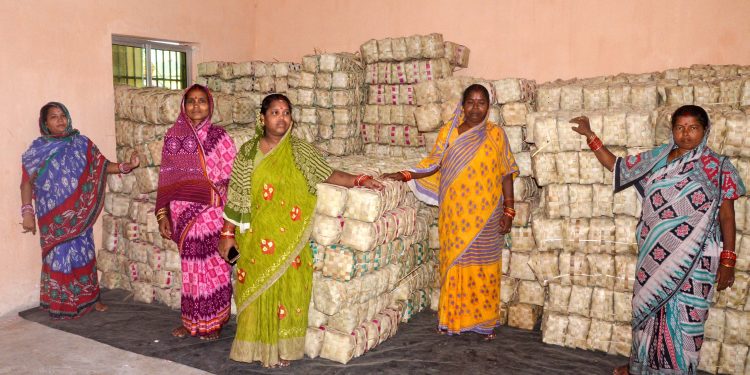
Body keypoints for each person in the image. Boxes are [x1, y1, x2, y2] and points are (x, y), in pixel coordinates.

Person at [569, 105, 744, 375]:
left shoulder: (718, 168)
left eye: (693, 128)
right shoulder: (658, 158)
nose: (686, 134)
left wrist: (728, 261)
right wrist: (590, 135)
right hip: (654, 257)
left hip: (695, 263)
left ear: (705, 130)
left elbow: (728, 218)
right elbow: (618, 167)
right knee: (647, 315)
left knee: (688, 322)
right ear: (672, 130)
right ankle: (642, 367)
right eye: (680, 128)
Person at [218, 93, 382, 368]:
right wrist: (227, 233)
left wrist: (359, 179)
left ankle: (283, 350)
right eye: (275, 112)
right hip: (256, 239)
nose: (281, 118)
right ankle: (255, 348)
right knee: (255, 292)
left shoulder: (300, 151)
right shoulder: (247, 152)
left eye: (286, 112)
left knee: (290, 292)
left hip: (290, 238)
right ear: (262, 118)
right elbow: (236, 195)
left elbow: (327, 173)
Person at [382, 84, 519, 341]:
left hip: (488, 215)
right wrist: (404, 174)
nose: (476, 108)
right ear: (462, 104)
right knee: (455, 264)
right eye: (471, 102)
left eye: (481, 103)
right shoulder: (449, 132)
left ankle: (483, 323)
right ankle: (452, 319)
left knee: (485, 267)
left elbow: (506, 173)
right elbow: (432, 164)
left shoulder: (496, 134)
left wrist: (509, 210)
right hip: (456, 216)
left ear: (488, 107)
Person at [21, 102, 140, 319]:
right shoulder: (36, 151)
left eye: (63, 116)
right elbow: (26, 183)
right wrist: (27, 212)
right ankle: (60, 303)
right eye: (54, 117)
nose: (60, 121)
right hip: (53, 218)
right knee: (59, 257)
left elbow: (101, 165)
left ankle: (91, 300)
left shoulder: (81, 143)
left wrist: (126, 166)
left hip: (79, 214)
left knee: (83, 253)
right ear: (45, 123)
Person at [155, 84, 237, 341]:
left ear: (210, 105)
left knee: (214, 268)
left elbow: (233, 177)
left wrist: (214, 198)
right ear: (184, 106)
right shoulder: (173, 138)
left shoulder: (220, 137)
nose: (196, 106)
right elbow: (166, 179)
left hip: (213, 212)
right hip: (184, 215)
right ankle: (191, 321)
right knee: (190, 269)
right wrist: (163, 214)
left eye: (202, 101)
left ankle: (215, 320)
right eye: (191, 101)